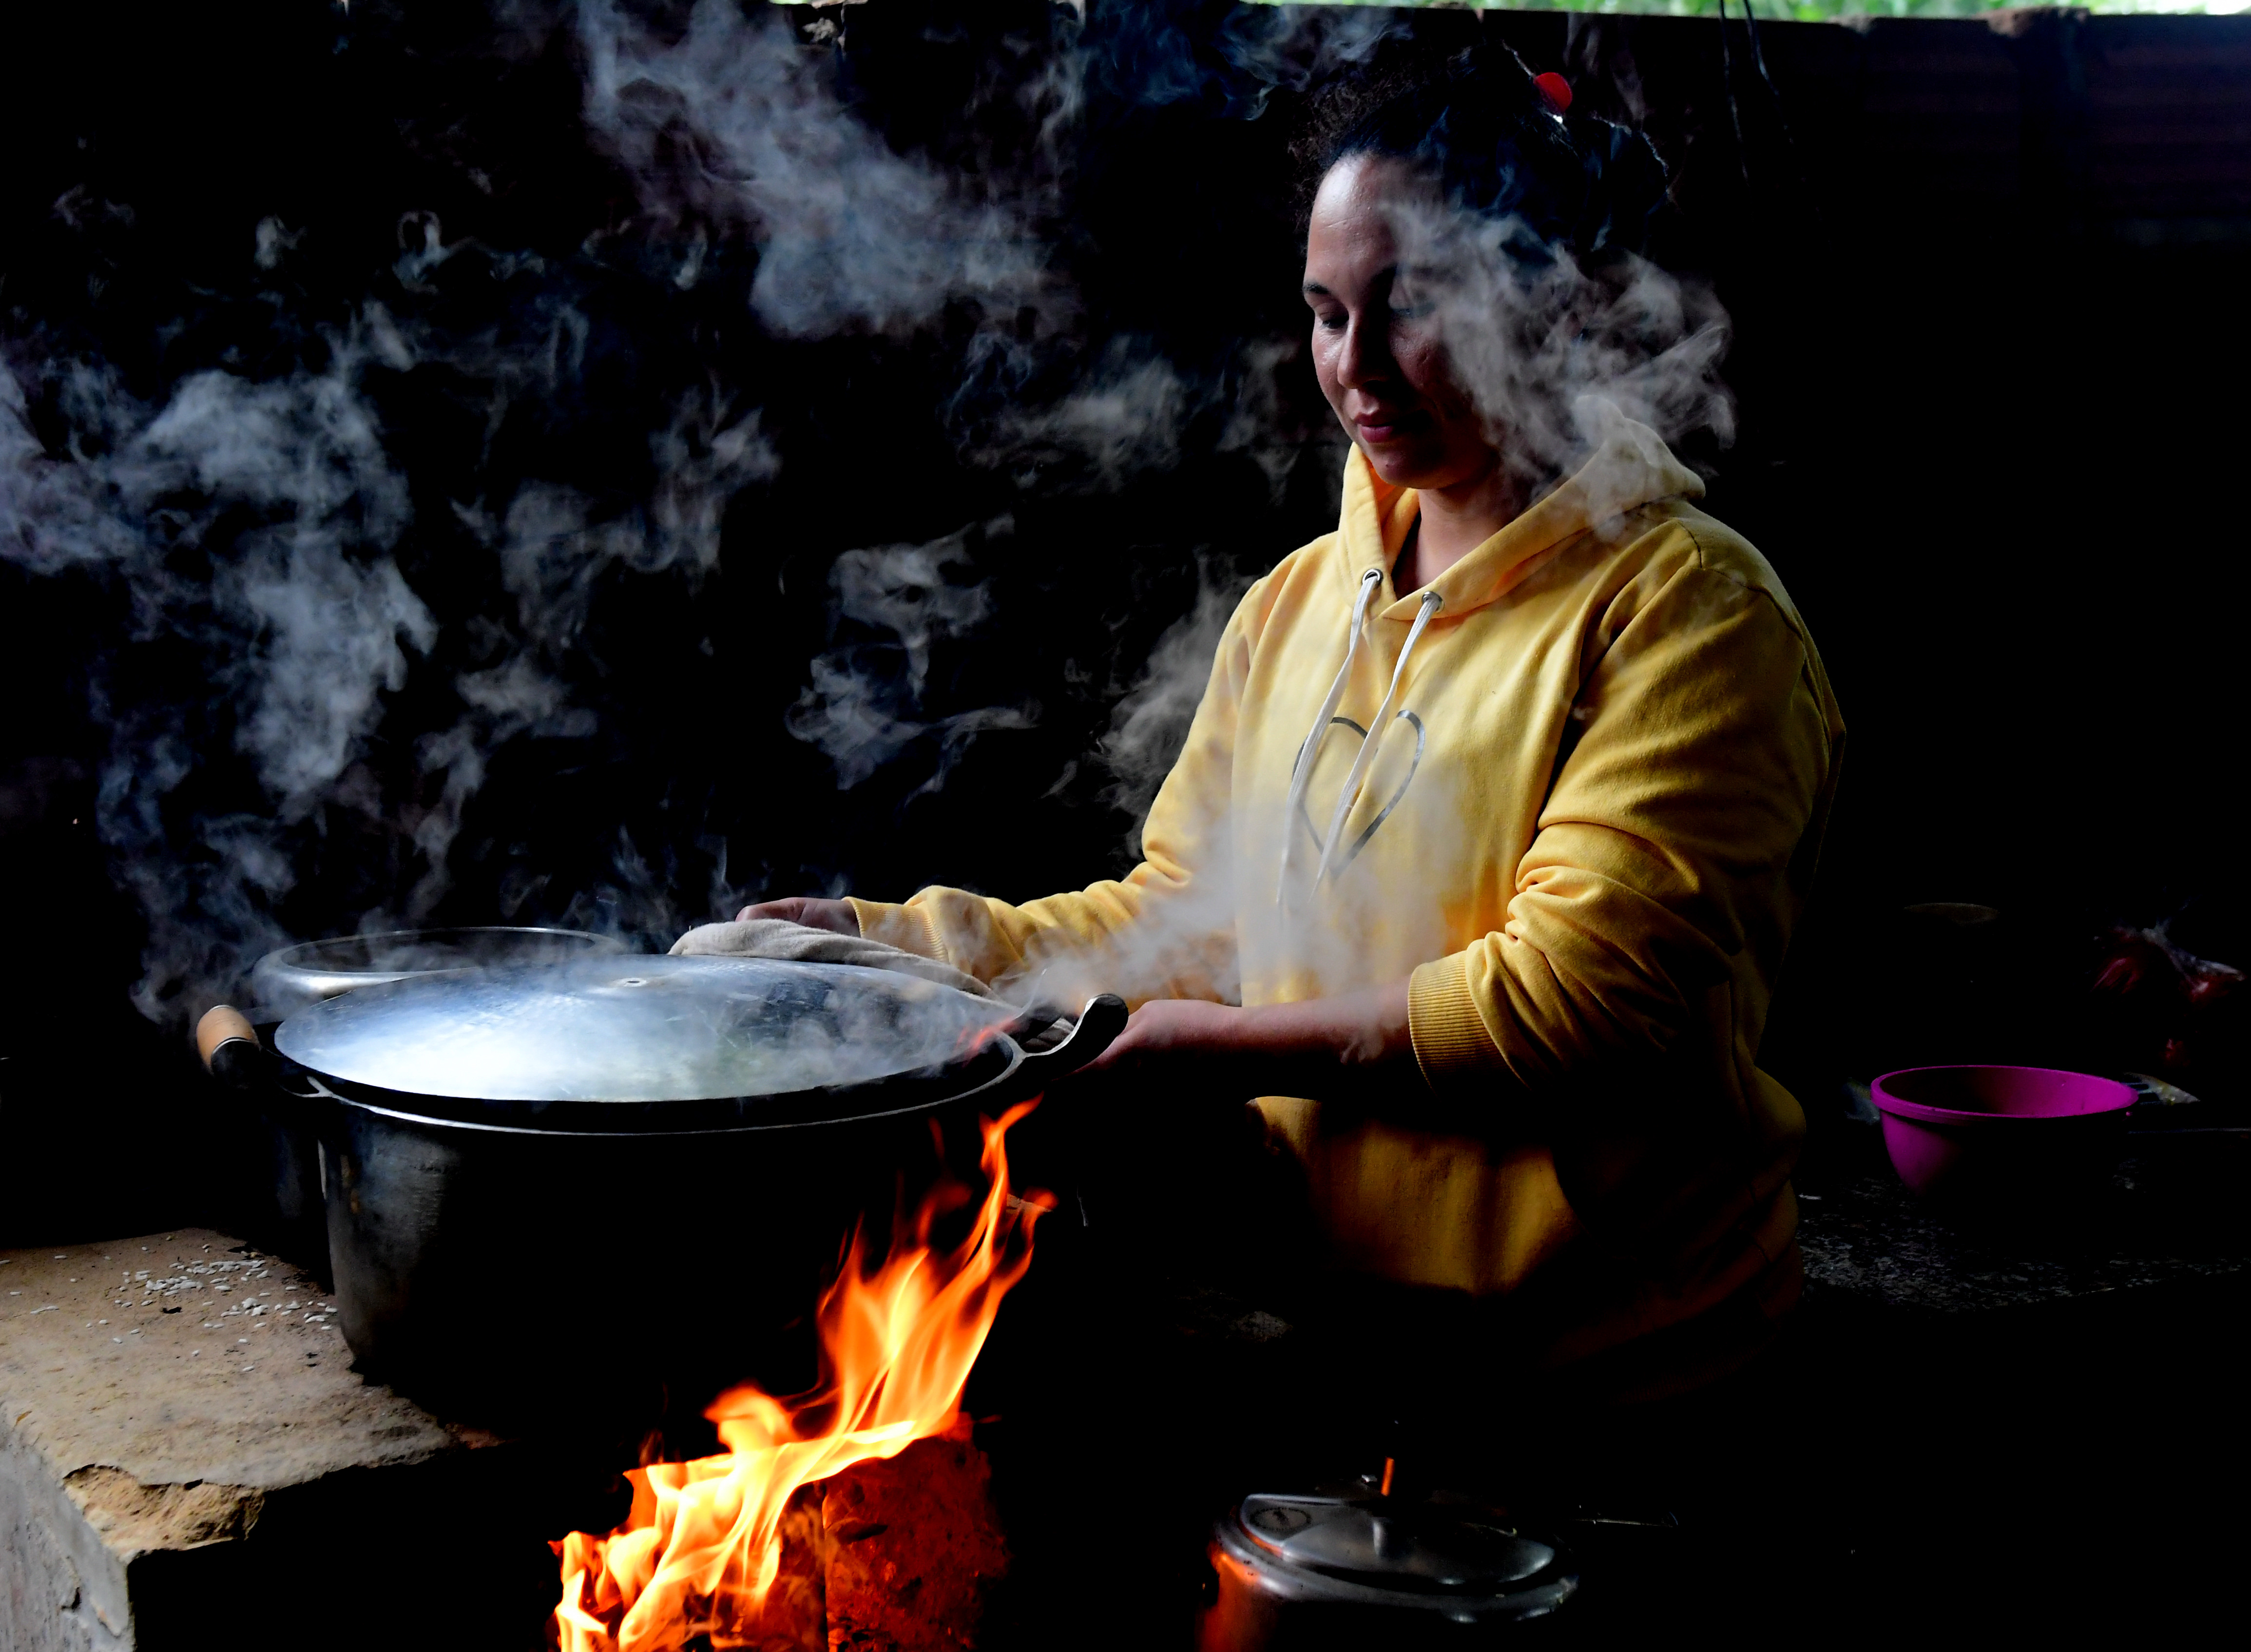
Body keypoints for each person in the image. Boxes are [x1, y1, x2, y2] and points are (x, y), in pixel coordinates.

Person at [735, 49, 1843, 1406]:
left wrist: (1204, 1053)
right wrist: (895, 952)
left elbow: (1579, 1007)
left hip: (1615, 1367)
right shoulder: (1300, 605)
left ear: (1549, 303)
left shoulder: (1687, 615)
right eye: (1325, 313)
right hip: (1335, 1336)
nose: (1356, 367)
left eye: (1409, 305)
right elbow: (1189, 921)